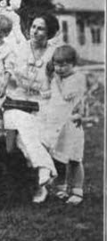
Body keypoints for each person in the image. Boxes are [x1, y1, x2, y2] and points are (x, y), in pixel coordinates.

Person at [3, 13, 60, 203]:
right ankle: (45, 168)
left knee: (24, 137)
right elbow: (6, 76)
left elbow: (59, 83)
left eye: (40, 28)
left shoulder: (54, 53)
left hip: (41, 104)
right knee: (23, 125)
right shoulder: (18, 49)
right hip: (15, 103)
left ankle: (40, 183)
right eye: (33, 27)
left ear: (49, 32)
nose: (35, 31)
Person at [42, 45, 86, 205]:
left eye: (63, 65)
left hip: (71, 123)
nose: (59, 69)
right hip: (56, 124)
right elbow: (48, 96)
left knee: (74, 158)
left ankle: (77, 190)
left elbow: (67, 95)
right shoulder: (56, 78)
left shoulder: (77, 78)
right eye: (57, 64)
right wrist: (49, 78)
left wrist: (56, 78)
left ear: (73, 63)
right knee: (58, 157)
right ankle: (61, 187)